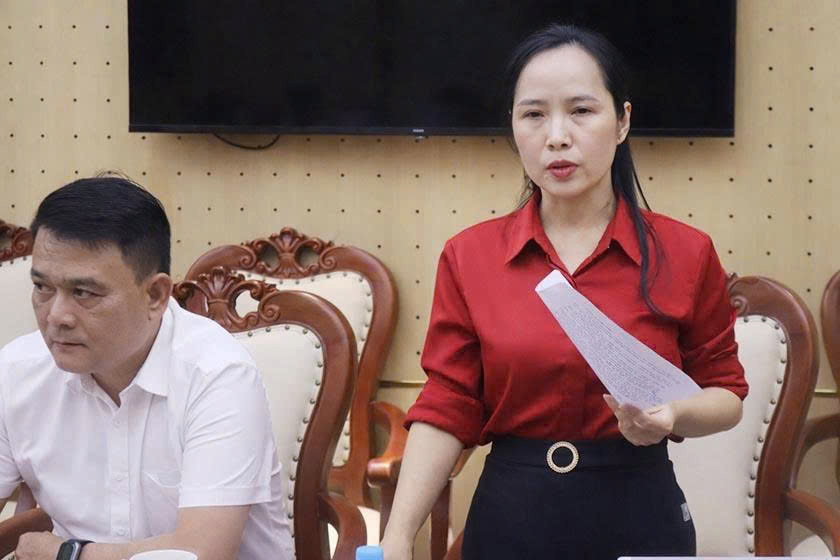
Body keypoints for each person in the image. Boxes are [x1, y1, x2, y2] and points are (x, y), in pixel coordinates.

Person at [380, 24, 748, 560]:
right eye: (533, 114)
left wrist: (672, 415)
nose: (556, 136)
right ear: (513, 127)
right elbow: (448, 403)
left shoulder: (685, 252)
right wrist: (396, 538)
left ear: (622, 121)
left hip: (640, 511)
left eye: (581, 111)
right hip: (511, 516)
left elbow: (726, 394)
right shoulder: (470, 256)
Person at [0, 176, 294, 560]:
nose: (56, 316)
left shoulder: (218, 374)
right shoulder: (17, 371)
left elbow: (201, 553)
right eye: (43, 288)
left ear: (155, 294)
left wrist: (68, 555)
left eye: (83, 293)